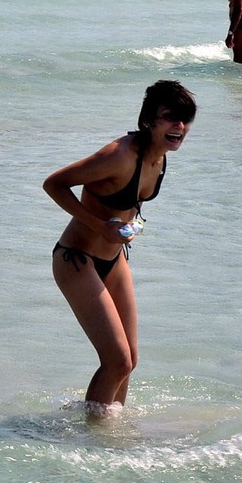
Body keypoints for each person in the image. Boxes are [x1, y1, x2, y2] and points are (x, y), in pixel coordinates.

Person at [43, 80, 196, 418]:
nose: (180, 127)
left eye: (186, 119)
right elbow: (54, 184)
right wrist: (100, 227)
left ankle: (112, 434)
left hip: (113, 261)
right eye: (171, 118)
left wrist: (130, 227)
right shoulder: (119, 155)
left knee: (129, 362)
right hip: (76, 259)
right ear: (148, 121)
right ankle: (91, 438)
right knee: (116, 360)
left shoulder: (159, 158)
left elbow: (126, 207)